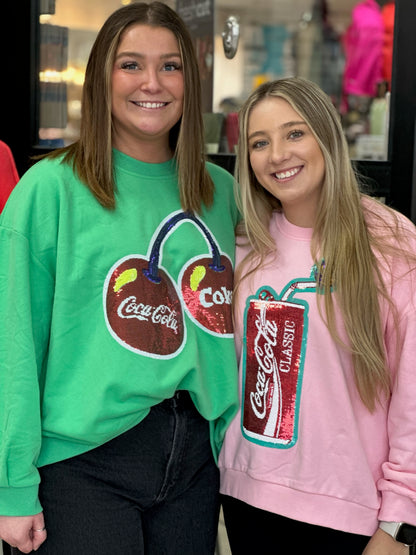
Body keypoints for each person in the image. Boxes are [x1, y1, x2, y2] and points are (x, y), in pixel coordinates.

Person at [0, 3, 239, 554]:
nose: (152, 83)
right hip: (83, 465)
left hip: (196, 465)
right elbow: (14, 344)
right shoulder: (50, 189)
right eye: (130, 64)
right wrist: (12, 485)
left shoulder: (220, 193)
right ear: (101, 77)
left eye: (171, 66)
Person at [218, 77, 416, 554]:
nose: (278, 154)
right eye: (259, 143)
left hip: (349, 514)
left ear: (326, 136)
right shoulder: (245, 243)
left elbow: (412, 392)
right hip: (247, 499)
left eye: (294, 133)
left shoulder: (390, 241)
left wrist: (398, 522)